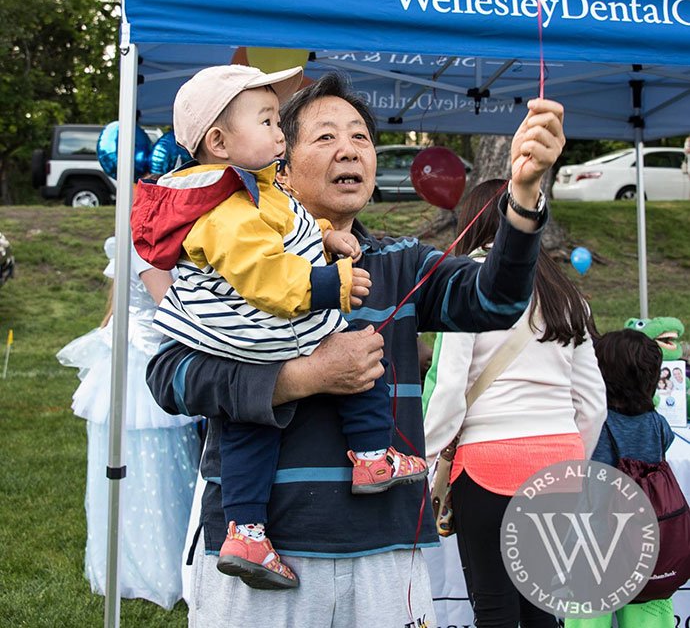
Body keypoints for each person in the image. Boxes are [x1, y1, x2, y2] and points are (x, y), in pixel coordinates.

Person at [146, 72, 566, 628]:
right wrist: (302, 376)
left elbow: (495, 301)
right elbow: (169, 376)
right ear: (281, 165)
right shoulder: (231, 260)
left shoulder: (402, 263)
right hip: (262, 557)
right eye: (324, 137)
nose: (348, 149)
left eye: (360, 137)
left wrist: (524, 195)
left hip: (387, 552)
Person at [132, 63, 427, 590]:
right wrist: (329, 288)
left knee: (258, 425)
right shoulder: (225, 209)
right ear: (220, 141)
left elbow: (284, 221)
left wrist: (325, 235)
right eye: (269, 122)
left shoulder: (253, 190)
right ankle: (372, 456)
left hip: (251, 337)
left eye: (360, 135)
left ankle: (248, 533)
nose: (278, 136)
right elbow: (268, 271)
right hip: (256, 328)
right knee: (353, 355)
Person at [423, 178, 607, 628]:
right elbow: (593, 402)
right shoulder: (568, 296)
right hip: (559, 466)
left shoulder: (466, 281)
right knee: (544, 606)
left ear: (474, 224)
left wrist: (426, 465)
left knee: (493, 607)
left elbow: (448, 390)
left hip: (488, 464)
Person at [57, 238, 201, 609]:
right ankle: (155, 568)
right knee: (147, 470)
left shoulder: (166, 239)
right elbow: (173, 306)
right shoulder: (144, 244)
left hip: (158, 358)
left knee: (168, 469)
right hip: (141, 365)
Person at [564, 329, 676, 628]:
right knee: (650, 620)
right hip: (645, 546)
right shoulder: (658, 424)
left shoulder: (590, 425)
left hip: (593, 548)